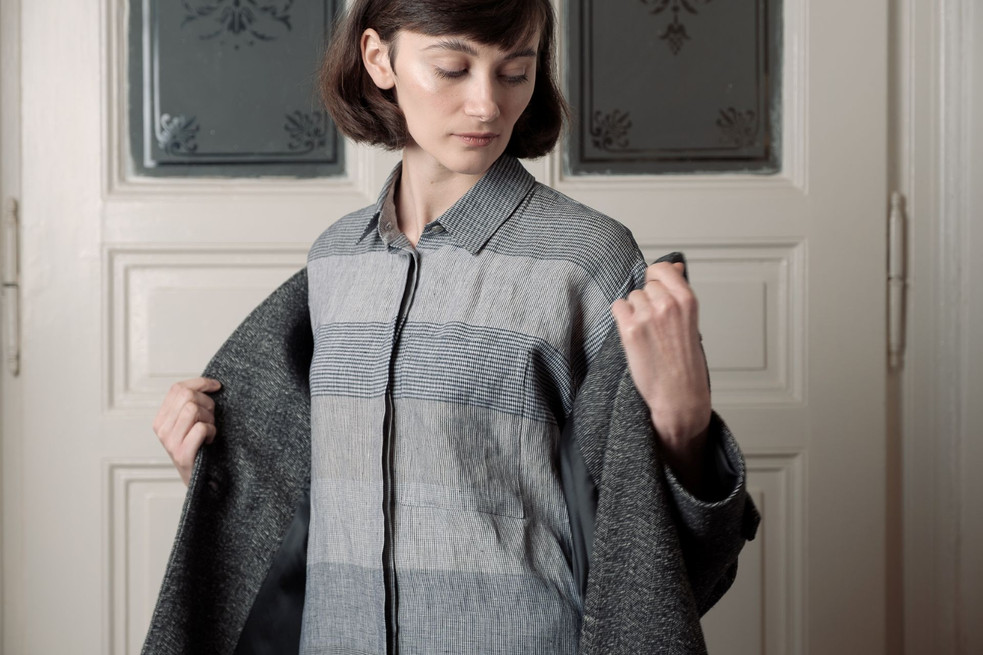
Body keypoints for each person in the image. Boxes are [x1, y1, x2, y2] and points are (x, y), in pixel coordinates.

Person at [149, 1, 757, 653]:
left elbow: (651, 558)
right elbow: (300, 519)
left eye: (514, 72)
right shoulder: (332, 262)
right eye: (451, 68)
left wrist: (685, 427)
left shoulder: (588, 260)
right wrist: (213, 470)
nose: (486, 105)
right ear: (379, 59)